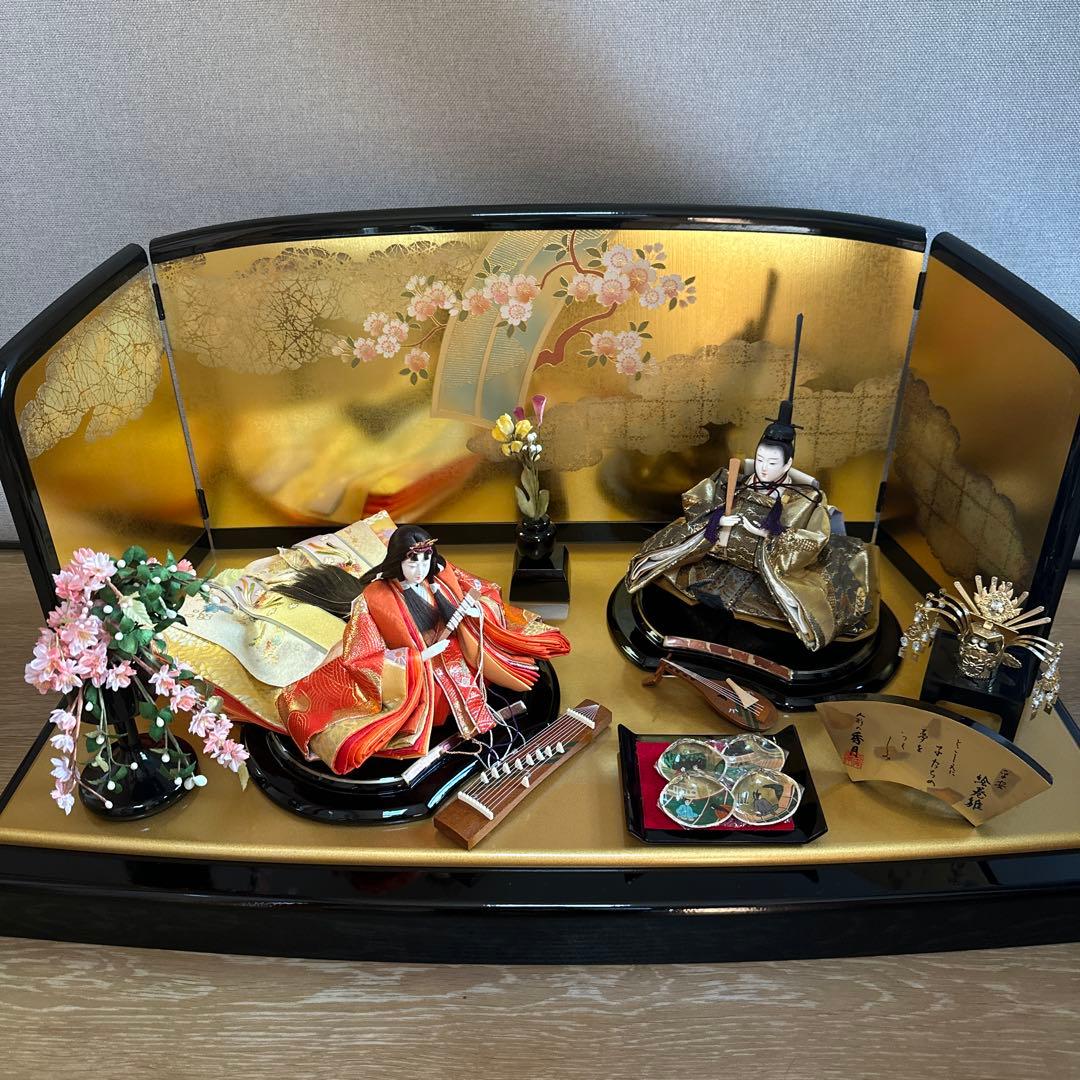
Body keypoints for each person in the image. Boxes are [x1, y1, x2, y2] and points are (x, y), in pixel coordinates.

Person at [625, 317, 875, 652]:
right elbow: (696, 503)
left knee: (792, 608)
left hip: (766, 567)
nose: (764, 468)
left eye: (773, 463)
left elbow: (810, 541)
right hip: (718, 556)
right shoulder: (734, 478)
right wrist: (718, 519)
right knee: (664, 565)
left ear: (787, 464)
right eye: (760, 459)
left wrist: (766, 535)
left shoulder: (805, 498)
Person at [274, 526, 571, 774]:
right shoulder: (373, 600)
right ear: (397, 561)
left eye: (425, 560)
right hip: (418, 674)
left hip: (458, 652)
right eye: (412, 563)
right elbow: (362, 655)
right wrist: (419, 658)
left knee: (507, 670)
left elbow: (482, 591)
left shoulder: (439, 575)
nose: (420, 570)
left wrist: (476, 613)